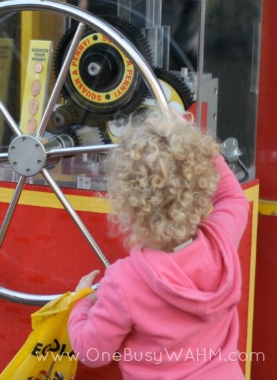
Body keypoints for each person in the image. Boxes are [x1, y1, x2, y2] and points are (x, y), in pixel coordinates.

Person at [68, 111, 249, 378]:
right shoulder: (220, 243)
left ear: (126, 204)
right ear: (201, 185)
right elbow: (233, 197)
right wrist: (194, 146)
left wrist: (79, 303)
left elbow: (92, 352)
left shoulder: (125, 281)